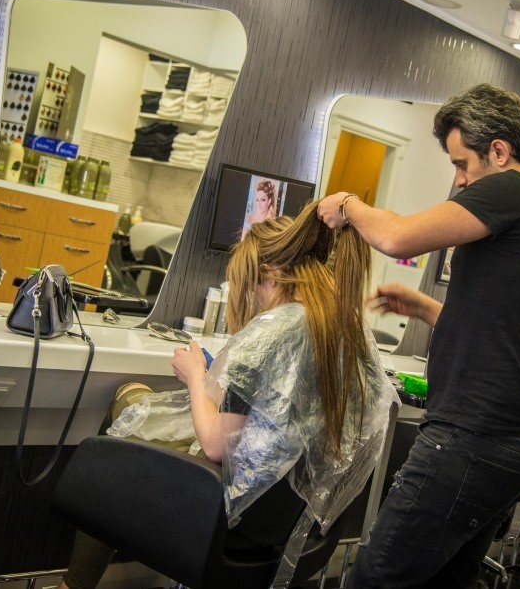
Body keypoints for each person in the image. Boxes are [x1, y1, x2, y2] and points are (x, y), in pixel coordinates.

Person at [57, 203, 397, 589]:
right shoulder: (351, 332)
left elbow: (217, 446)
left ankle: (73, 585)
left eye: (250, 282)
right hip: (288, 523)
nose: (251, 295)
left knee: (128, 403)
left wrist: (196, 375)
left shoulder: (270, 334)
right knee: (144, 412)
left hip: (229, 516)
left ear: (269, 274)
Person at [317, 83, 520, 588]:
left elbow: (395, 237)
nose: (458, 181)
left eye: (461, 164)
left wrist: (346, 203)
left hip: (473, 439)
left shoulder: (512, 189)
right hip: (512, 441)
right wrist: (432, 310)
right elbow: (512, 327)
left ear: (499, 151)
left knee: (373, 579)